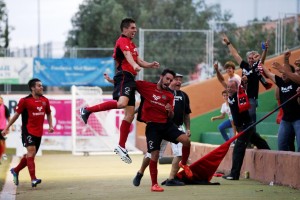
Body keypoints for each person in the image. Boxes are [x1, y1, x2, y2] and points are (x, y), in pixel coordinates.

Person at [79, 18, 160, 164]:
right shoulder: (122, 40)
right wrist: (134, 65)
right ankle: (87, 110)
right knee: (122, 103)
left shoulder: (132, 44)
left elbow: (139, 60)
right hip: (125, 76)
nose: (135, 30)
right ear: (125, 29)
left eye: (135, 28)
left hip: (129, 79)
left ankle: (121, 146)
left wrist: (150, 64)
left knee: (129, 115)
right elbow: (129, 57)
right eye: (133, 28)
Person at [134, 69, 192, 192]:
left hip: (170, 126)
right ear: (162, 77)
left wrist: (170, 111)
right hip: (153, 127)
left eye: (177, 80)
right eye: (171, 79)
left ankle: (175, 174)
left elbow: (182, 114)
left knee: (186, 142)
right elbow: (130, 85)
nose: (175, 82)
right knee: (152, 155)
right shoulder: (148, 87)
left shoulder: (180, 95)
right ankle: (143, 175)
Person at [1, 78, 54, 187]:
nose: (42, 87)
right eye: (39, 86)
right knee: (31, 151)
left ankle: (15, 170)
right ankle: (33, 179)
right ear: (32, 88)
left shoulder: (45, 100)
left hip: (39, 132)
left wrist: (50, 125)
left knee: (31, 155)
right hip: (28, 131)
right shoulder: (25, 101)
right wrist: (7, 127)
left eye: (41, 85)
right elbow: (16, 115)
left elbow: (48, 113)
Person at [222, 80, 270, 180]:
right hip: (242, 127)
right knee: (258, 140)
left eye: (231, 87)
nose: (229, 89)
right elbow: (224, 83)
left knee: (238, 149)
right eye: (228, 87)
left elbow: (243, 91)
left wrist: (244, 85)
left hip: (246, 126)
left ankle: (234, 175)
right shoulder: (230, 96)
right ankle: (270, 153)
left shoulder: (240, 95)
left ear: (236, 88)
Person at [222, 34, 272, 130]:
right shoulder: (244, 65)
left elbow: (262, 60)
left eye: (253, 58)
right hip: (241, 96)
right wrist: (228, 43)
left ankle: (252, 138)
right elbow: (235, 54)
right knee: (242, 119)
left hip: (252, 97)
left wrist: (265, 50)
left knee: (251, 117)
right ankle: (246, 138)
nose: (250, 59)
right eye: (249, 58)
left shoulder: (258, 66)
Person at [260, 62, 300, 151]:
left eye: (285, 73)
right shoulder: (281, 82)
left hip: (298, 119)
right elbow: (268, 73)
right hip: (286, 119)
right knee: (281, 144)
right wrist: (260, 61)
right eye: (282, 73)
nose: (283, 75)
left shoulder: (297, 82)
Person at [0, 96, 11, 163]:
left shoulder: (5, 108)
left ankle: (3, 154)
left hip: (3, 128)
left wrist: (8, 127)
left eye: (1, 100)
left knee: (3, 141)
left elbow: (9, 118)